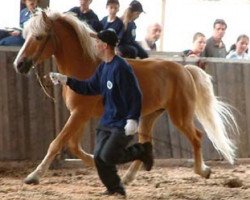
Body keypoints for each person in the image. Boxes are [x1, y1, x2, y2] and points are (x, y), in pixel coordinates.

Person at [49, 29, 153, 197]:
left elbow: (135, 95)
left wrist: (133, 119)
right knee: (99, 158)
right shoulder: (103, 67)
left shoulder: (122, 68)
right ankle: (115, 188)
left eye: (97, 43)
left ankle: (142, 151)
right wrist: (66, 80)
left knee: (108, 156)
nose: (95, 45)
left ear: (105, 46)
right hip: (107, 121)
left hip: (121, 123)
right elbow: (89, 87)